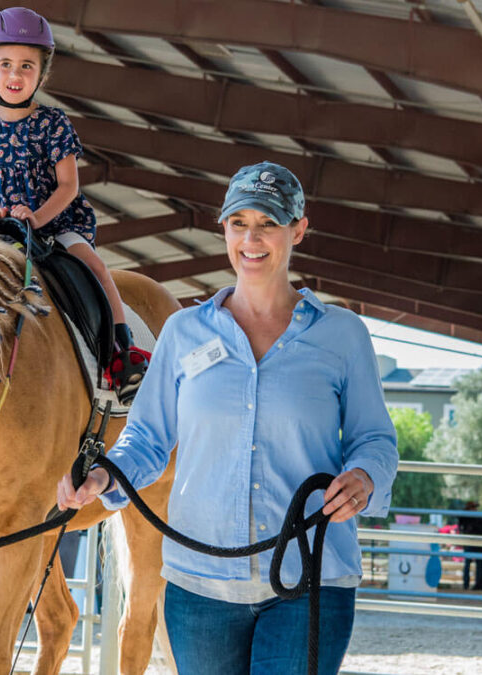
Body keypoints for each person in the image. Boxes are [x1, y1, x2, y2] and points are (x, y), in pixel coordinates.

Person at [56, 162, 399, 674]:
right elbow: (147, 438)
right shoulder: (183, 333)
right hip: (201, 587)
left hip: (309, 580)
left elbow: (375, 439)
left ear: (298, 230)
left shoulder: (342, 336)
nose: (251, 239)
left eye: (268, 223)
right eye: (239, 223)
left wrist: (365, 477)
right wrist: (106, 474)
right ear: (224, 230)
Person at [0, 6, 150, 403]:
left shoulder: (55, 122)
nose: (15, 74)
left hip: (55, 222)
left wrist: (37, 218)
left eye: (27, 66)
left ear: (42, 75)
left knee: (94, 266)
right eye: (6, 64)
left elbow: (68, 186)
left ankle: (123, 353)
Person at [459, 501, 482, 591]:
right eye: (473, 507)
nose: (475, 509)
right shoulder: (469, 518)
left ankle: (476, 584)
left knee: (475, 564)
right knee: (471, 564)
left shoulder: (474, 517)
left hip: (475, 543)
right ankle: (469, 584)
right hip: (473, 543)